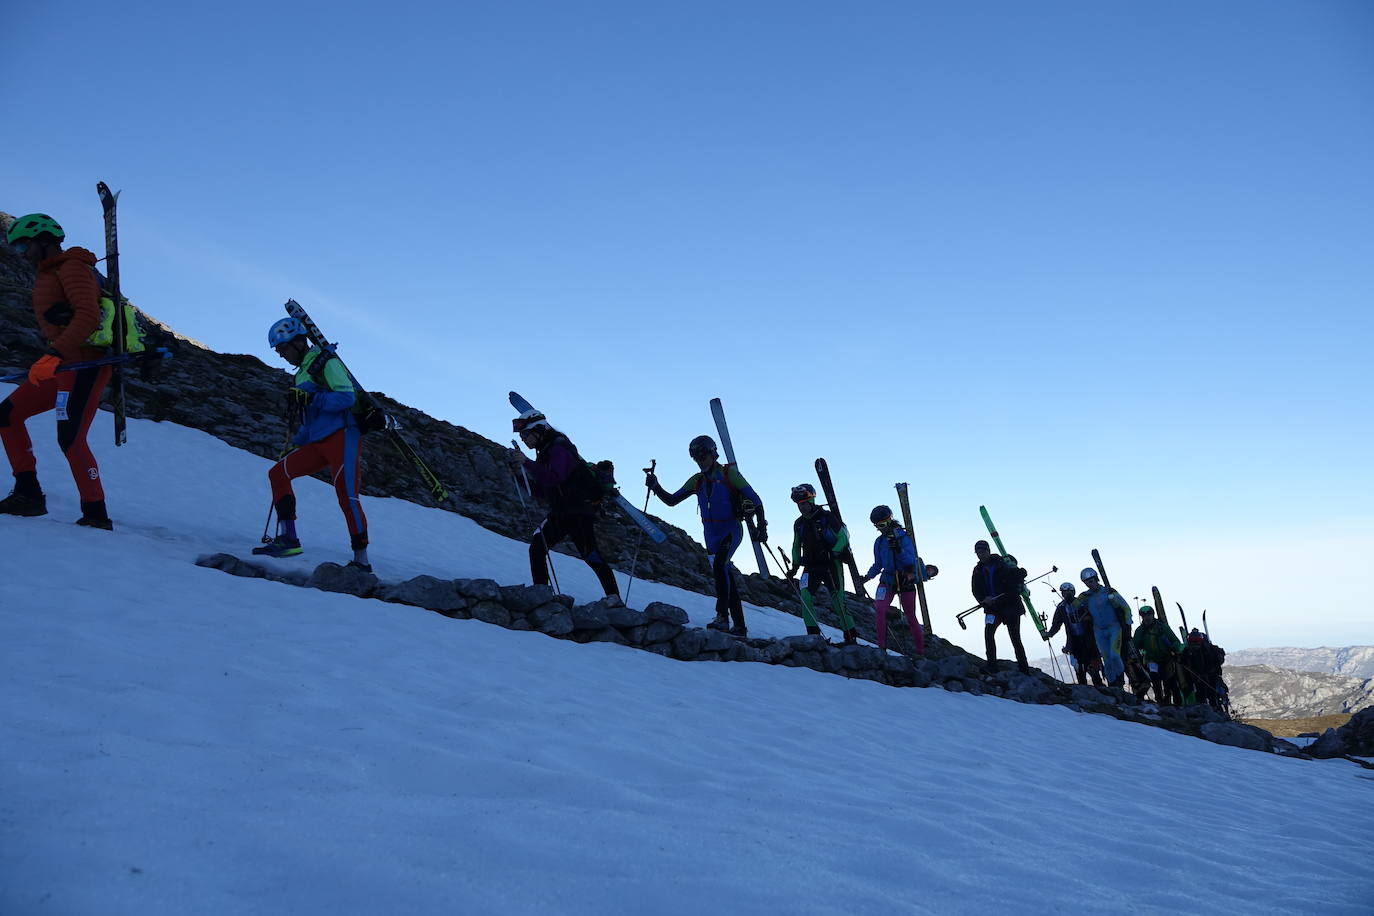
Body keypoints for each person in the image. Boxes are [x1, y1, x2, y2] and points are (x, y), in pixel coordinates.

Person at [0, 214, 115, 529]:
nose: (21, 252)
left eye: (24, 243)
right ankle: (28, 494)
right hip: (63, 365)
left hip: (84, 364)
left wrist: (54, 353)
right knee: (7, 415)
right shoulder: (48, 273)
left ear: (44, 240)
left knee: (71, 438)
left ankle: (96, 514)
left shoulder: (73, 267)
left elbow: (89, 316)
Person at [254, 317, 371, 570]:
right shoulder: (302, 374)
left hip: (343, 436)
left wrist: (313, 397)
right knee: (278, 474)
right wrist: (299, 441)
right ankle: (289, 540)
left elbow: (346, 398)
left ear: (298, 342)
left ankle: (362, 561)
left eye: (283, 349)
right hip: (318, 442)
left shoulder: (325, 362)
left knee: (346, 496)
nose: (282, 355)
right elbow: (310, 415)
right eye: (279, 351)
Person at [646, 435, 765, 636]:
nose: (700, 460)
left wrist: (762, 527)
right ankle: (739, 626)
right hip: (710, 535)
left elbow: (756, 500)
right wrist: (655, 486)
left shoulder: (729, 474)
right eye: (696, 457)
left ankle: (721, 618)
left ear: (712, 453)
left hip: (730, 530)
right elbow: (672, 501)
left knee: (719, 567)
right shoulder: (697, 481)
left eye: (702, 455)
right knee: (725, 575)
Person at [507, 409, 620, 601]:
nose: (524, 439)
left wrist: (526, 463)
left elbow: (554, 478)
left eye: (525, 434)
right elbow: (542, 491)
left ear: (538, 430)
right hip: (562, 511)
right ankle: (541, 593)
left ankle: (614, 598)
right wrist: (519, 476)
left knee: (589, 554)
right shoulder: (544, 453)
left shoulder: (559, 449)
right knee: (537, 547)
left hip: (577, 511)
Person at [788, 483, 858, 644]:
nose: (802, 507)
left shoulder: (827, 517)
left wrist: (834, 552)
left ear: (812, 501)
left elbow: (843, 537)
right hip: (811, 566)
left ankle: (850, 636)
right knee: (805, 596)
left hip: (831, 565)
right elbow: (796, 545)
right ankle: (813, 634)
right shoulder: (799, 523)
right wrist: (794, 566)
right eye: (799, 504)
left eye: (804, 503)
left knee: (838, 600)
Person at [860, 505, 926, 654]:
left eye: (882, 524)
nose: (880, 528)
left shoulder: (904, 538)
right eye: (877, 526)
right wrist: (867, 577)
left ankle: (920, 651)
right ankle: (881, 647)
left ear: (890, 520)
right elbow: (878, 564)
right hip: (888, 579)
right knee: (880, 610)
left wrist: (899, 550)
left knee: (910, 616)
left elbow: (911, 560)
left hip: (905, 579)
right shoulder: (879, 542)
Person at [971, 540, 1030, 673]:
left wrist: (996, 600)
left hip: (1010, 607)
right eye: (978, 552)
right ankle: (992, 665)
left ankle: (1024, 668)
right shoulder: (978, 570)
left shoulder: (1002, 564)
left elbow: (1014, 586)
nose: (981, 555)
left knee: (1015, 638)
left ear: (988, 551)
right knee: (988, 634)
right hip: (992, 608)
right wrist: (983, 599)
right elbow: (975, 589)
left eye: (983, 551)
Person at [1077, 567, 1132, 688]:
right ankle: (1112, 683)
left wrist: (1128, 625)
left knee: (1114, 655)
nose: (1089, 584)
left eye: (1091, 581)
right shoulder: (1085, 597)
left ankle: (1119, 678)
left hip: (1114, 628)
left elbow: (1126, 608)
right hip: (1099, 630)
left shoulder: (1109, 592)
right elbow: (1075, 605)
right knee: (1107, 659)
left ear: (1096, 579)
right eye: (1086, 582)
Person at [1044, 582, 1104, 687]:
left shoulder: (1081, 603)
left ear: (1073, 592)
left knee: (1093, 668)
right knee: (1079, 668)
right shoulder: (1061, 607)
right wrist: (1050, 633)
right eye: (1064, 592)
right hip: (1074, 641)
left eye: (1069, 592)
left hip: (1089, 640)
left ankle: (1099, 688)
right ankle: (1083, 689)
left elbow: (1093, 616)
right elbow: (1056, 623)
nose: (1067, 594)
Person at [1132, 606, 1183, 704]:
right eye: (1144, 615)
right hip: (1151, 660)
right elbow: (1135, 645)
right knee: (1156, 682)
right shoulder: (1140, 630)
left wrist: (1174, 648)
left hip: (1166, 659)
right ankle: (1160, 702)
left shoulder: (1162, 627)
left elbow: (1176, 641)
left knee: (1170, 682)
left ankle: (1176, 703)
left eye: (1149, 615)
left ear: (1153, 615)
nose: (1147, 617)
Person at [1181, 628, 1226, 710]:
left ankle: (1215, 710)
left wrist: (1212, 672)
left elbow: (1215, 663)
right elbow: (1184, 662)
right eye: (1193, 643)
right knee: (1202, 695)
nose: (1195, 645)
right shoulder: (1188, 652)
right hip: (1199, 677)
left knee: (1212, 695)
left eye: (1197, 642)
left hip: (1210, 676)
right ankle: (1208, 710)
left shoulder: (1208, 650)